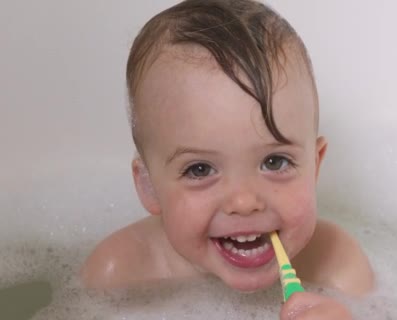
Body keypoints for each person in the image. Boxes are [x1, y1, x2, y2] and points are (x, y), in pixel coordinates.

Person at [81, 0, 374, 317]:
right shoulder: (118, 276)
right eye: (200, 169)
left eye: (275, 162)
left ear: (315, 166)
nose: (245, 201)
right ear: (149, 187)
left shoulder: (336, 265)